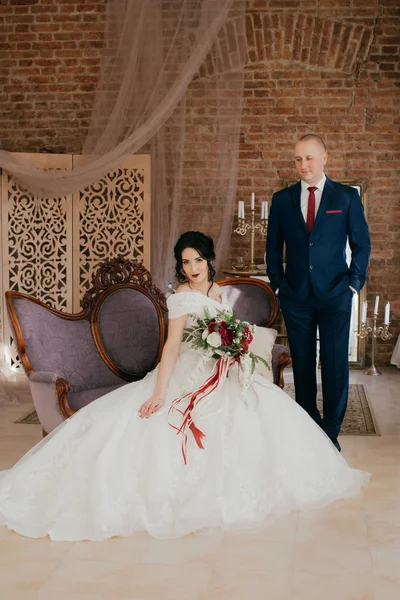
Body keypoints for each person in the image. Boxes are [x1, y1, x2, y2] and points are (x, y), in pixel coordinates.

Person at [0, 231, 368, 541]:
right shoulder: (180, 297)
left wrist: (233, 351)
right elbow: (173, 346)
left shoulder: (221, 291)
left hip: (222, 372)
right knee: (155, 430)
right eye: (185, 262)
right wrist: (160, 392)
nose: (191, 268)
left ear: (208, 260)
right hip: (187, 373)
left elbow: (227, 331)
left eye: (197, 261)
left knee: (261, 413)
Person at [266, 135, 371, 452]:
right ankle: (309, 424)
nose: (303, 165)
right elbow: (273, 248)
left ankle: (331, 431)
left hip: (336, 294)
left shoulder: (346, 197)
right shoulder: (282, 200)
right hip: (296, 295)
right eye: (298, 159)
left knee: (335, 361)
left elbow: (362, 245)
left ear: (325, 158)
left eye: (309, 158)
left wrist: (353, 284)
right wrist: (279, 284)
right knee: (302, 361)